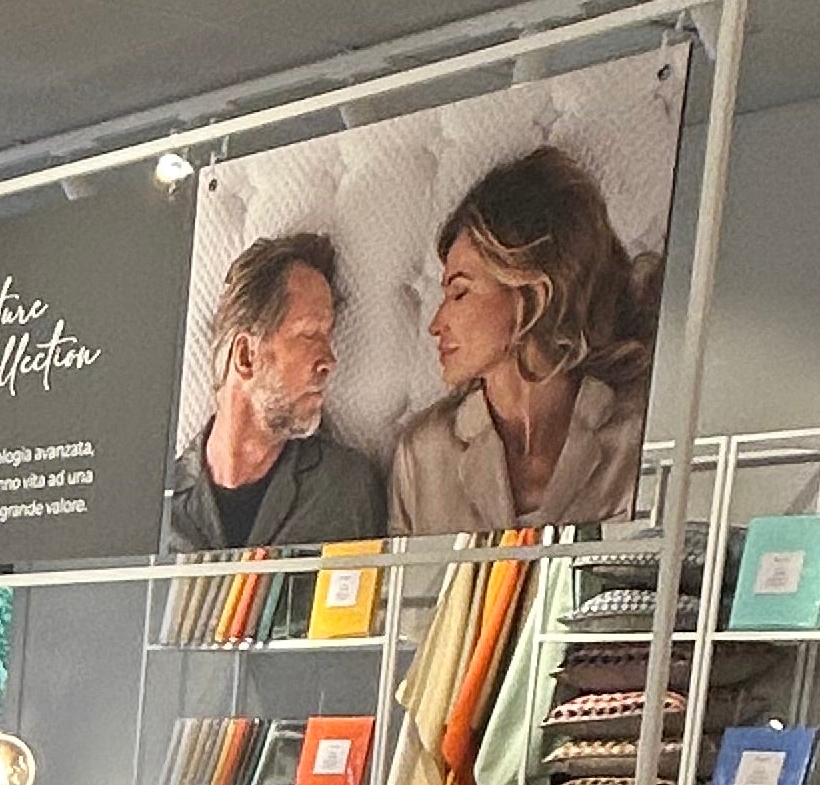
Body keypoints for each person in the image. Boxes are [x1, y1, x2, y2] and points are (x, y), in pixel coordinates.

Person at [385, 145, 661, 534]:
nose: (436, 323)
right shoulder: (423, 454)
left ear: (531, 293)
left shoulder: (639, 432)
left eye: (459, 292)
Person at [165, 232, 386, 563]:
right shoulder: (159, 511)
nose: (330, 360)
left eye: (328, 336)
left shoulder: (345, 489)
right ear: (245, 356)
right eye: (310, 334)